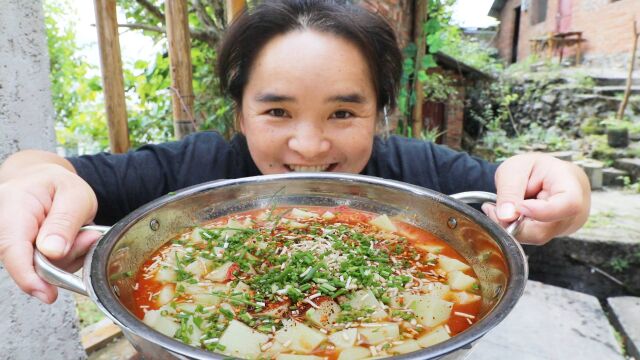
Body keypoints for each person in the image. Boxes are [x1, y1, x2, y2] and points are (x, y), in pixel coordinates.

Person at [0, 0, 590, 305]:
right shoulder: (187, 172)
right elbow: (42, 170)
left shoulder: (422, 174)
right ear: (239, 111)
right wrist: (32, 181)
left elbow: (527, 185)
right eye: (277, 111)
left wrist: (561, 185)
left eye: (343, 112)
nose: (309, 146)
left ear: (379, 113)